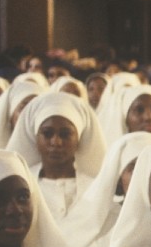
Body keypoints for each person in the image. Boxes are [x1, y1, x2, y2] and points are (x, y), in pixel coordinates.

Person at [6, 92, 106, 223]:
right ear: (35, 138)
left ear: (79, 139)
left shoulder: (97, 189)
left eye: (65, 134)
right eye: (47, 134)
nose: (56, 142)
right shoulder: (20, 189)